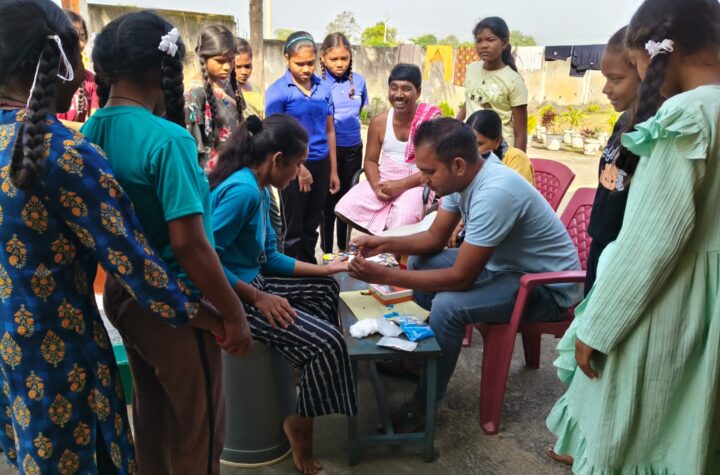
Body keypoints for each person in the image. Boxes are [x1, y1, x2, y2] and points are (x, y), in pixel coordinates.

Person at [0, 0, 226, 472]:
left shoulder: (81, 134)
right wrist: (219, 316)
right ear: (59, 64)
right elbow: (142, 265)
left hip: (11, 351)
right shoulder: (65, 153)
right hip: (65, 360)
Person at [546, 0, 720, 472]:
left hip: (669, 307)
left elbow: (651, 242)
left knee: (634, 439)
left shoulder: (687, 115)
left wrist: (597, 327)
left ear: (660, 51)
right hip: (708, 307)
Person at [82, 12, 252, 474]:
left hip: (125, 296)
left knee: (152, 414)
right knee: (199, 431)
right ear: (165, 68)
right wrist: (232, 313)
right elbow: (190, 246)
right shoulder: (169, 140)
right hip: (179, 308)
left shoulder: (91, 131)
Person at [348, 118, 582, 430]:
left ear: (457, 165)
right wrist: (382, 243)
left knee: (449, 307)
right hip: (505, 267)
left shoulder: (495, 191)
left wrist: (385, 275)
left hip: (546, 288)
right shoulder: (463, 178)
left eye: (429, 172)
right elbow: (433, 238)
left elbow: (461, 278)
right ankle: (420, 359)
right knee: (420, 261)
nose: (423, 179)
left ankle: (425, 404)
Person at [209, 114, 357, 475]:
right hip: (229, 297)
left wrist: (329, 269)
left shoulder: (259, 188)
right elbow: (206, 260)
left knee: (325, 290)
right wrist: (258, 299)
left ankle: (309, 373)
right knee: (328, 343)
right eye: (298, 164)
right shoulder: (243, 192)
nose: (299, 172)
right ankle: (301, 427)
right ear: (278, 160)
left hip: (252, 284)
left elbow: (270, 257)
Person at [335, 64, 441, 236]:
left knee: (403, 218)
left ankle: (390, 249)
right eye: (394, 88)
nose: (399, 94)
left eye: (406, 89)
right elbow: (370, 161)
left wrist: (401, 185)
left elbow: (437, 168)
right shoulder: (379, 122)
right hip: (384, 178)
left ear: (418, 92)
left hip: (418, 181)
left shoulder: (431, 122)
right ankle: (381, 245)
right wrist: (377, 187)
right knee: (346, 205)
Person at [265, 31, 340, 263]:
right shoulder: (278, 92)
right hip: (291, 165)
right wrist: (299, 168)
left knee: (312, 224)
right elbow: (275, 135)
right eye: (300, 63)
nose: (306, 69)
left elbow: (329, 130)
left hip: (321, 162)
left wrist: (333, 170)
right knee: (293, 227)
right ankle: (291, 273)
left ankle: (309, 269)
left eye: (310, 63)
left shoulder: (323, 89)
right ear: (286, 58)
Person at [581, 26, 640, 296]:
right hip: (600, 241)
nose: (606, 89)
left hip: (622, 253)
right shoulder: (625, 121)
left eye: (616, 79)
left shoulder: (652, 134)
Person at [449, 109, 536, 247]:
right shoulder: (465, 165)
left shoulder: (516, 158)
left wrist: (461, 223)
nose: (470, 151)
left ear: (497, 142)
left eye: (479, 144)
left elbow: (505, 208)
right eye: (467, 143)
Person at [320, 32, 368, 252]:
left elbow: (358, 111)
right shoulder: (318, 84)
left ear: (350, 57)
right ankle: (327, 253)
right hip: (328, 151)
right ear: (323, 58)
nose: (339, 64)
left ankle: (343, 249)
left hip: (353, 150)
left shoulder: (359, 82)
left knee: (347, 203)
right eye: (334, 59)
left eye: (344, 58)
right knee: (328, 203)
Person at [457, 17, 529, 152]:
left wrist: (518, 161)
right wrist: (454, 127)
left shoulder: (514, 80)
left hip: (500, 150)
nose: (483, 45)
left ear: (504, 43)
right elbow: (469, 101)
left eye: (490, 40)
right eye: (479, 41)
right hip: (471, 145)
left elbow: (521, 132)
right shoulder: (472, 69)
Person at [185, 25, 244, 169]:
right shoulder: (195, 94)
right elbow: (194, 149)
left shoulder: (231, 84)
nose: (227, 67)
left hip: (236, 167)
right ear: (203, 58)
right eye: (220, 61)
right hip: (212, 175)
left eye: (231, 60)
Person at [56, 9, 99, 132]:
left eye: (82, 36)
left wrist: (55, 123)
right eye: (73, 36)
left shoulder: (91, 80)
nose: (80, 44)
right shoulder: (47, 75)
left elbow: (93, 127)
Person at [234, 37, 263, 118]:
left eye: (247, 66)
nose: (244, 72)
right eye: (238, 67)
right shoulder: (225, 92)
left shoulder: (256, 89)